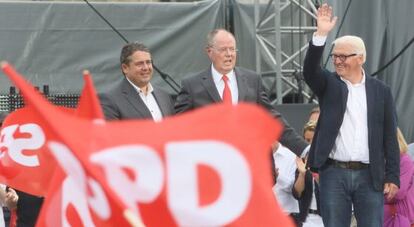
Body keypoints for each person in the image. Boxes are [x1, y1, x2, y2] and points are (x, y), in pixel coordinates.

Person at [302, 4, 400, 227]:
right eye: (335, 56)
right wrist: (321, 35)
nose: (337, 61)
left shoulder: (381, 91)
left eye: (344, 56)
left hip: (369, 175)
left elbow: (389, 137)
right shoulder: (329, 84)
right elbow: (310, 71)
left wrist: (393, 176)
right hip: (333, 173)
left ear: (360, 58)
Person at [174, 28, 308, 156]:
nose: (229, 54)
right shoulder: (192, 85)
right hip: (211, 168)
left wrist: (304, 149)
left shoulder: (252, 80)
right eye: (223, 50)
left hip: (250, 165)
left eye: (232, 49)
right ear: (209, 52)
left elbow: (272, 119)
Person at [99, 42, 175, 121]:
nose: (145, 68)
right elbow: (112, 132)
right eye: (139, 64)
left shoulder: (164, 96)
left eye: (148, 62)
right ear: (125, 68)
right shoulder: (110, 99)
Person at [292, 121, 323, 227]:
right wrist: (302, 174)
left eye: (313, 140)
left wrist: (316, 175)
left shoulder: (329, 162)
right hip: (307, 219)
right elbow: (297, 194)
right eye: (307, 140)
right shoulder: (301, 162)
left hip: (326, 218)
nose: (310, 144)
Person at [383, 128, 414, 226]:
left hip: (400, 213)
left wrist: (374, 193)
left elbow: (397, 193)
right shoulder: (379, 161)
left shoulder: (405, 160)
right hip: (387, 208)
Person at [272, 142, 301, 226]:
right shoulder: (255, 155)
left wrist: (278, 176)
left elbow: (295, 189)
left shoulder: (291, 156)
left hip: (287, 215)